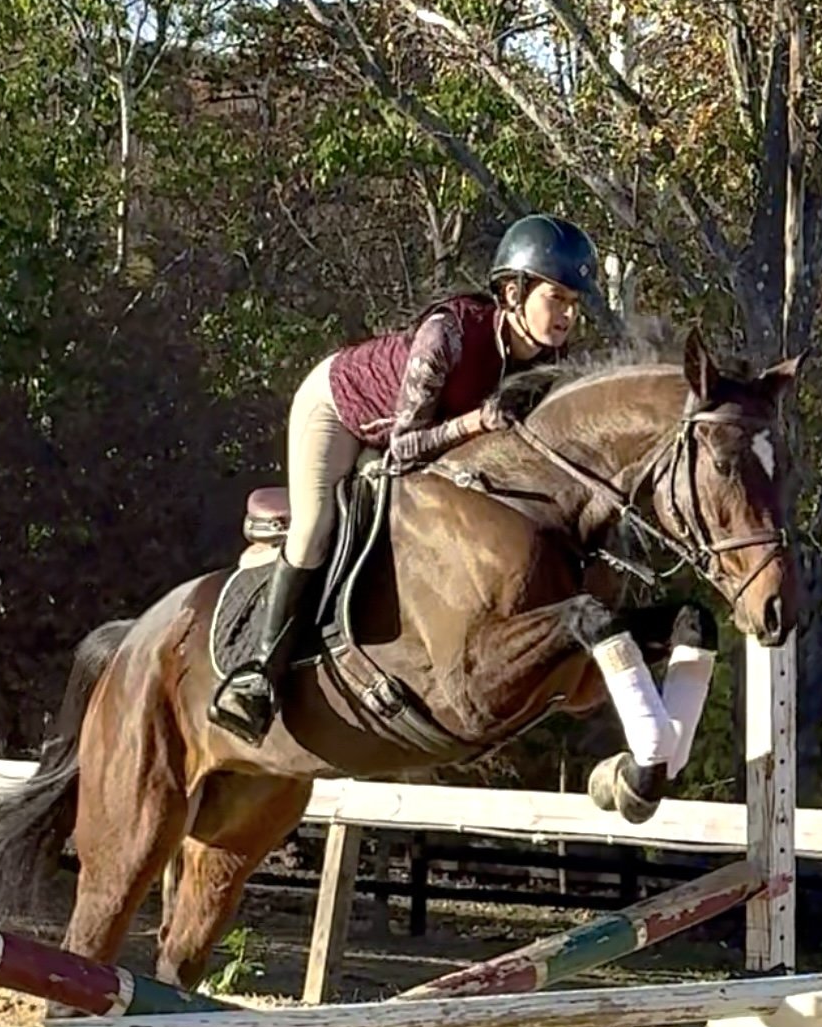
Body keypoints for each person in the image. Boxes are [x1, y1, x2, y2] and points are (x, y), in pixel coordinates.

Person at [209, 212, 599, 741]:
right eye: (557, 298)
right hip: (342, 410)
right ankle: (258, 676)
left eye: (574, 303)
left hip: (417, 438)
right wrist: (476, 423)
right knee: (316, 526)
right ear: (513, 292)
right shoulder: (449, 336)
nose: (568, 314)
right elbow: (404, 447)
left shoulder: (549, 360)